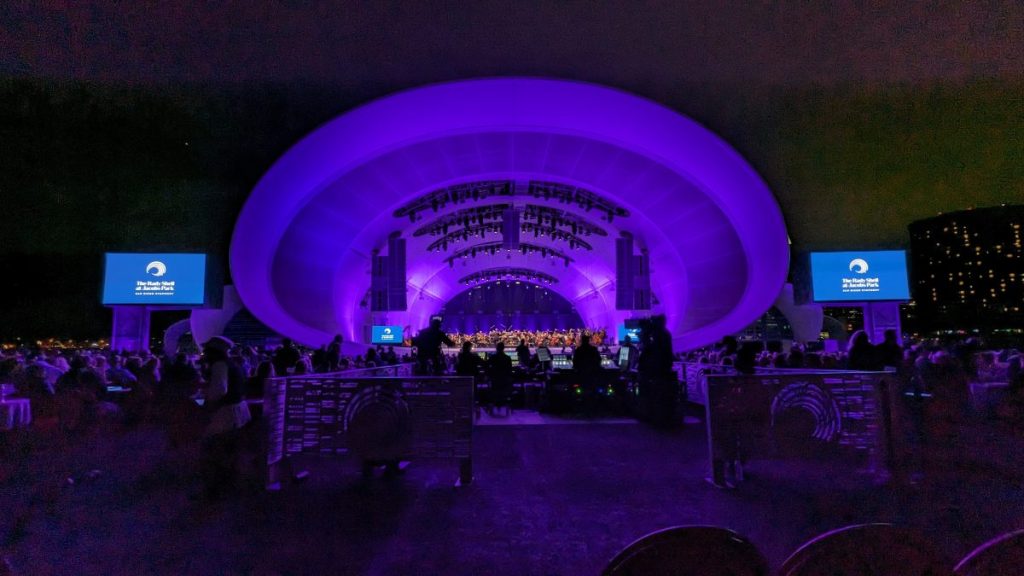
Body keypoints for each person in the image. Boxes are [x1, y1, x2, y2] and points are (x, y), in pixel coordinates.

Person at [197, 336, 251, 500]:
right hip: (240, 411)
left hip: (226, 414)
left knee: (215, 451)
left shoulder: (220, 365)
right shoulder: (236, 364)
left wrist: (207, 403)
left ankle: (215, 490)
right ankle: (230, 485)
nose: (204, 354)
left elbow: (219, 390)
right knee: (230, 451)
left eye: (207, 351)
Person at [487, 342, 514, 414]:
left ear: (496, 348)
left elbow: (486, 366)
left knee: (491, 389)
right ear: (503, 348)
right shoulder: (508, 358)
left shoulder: (492, 357)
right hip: (505, 382)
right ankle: (504, 403)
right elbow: (510, 370)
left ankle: (492, 404)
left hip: (495, 381)